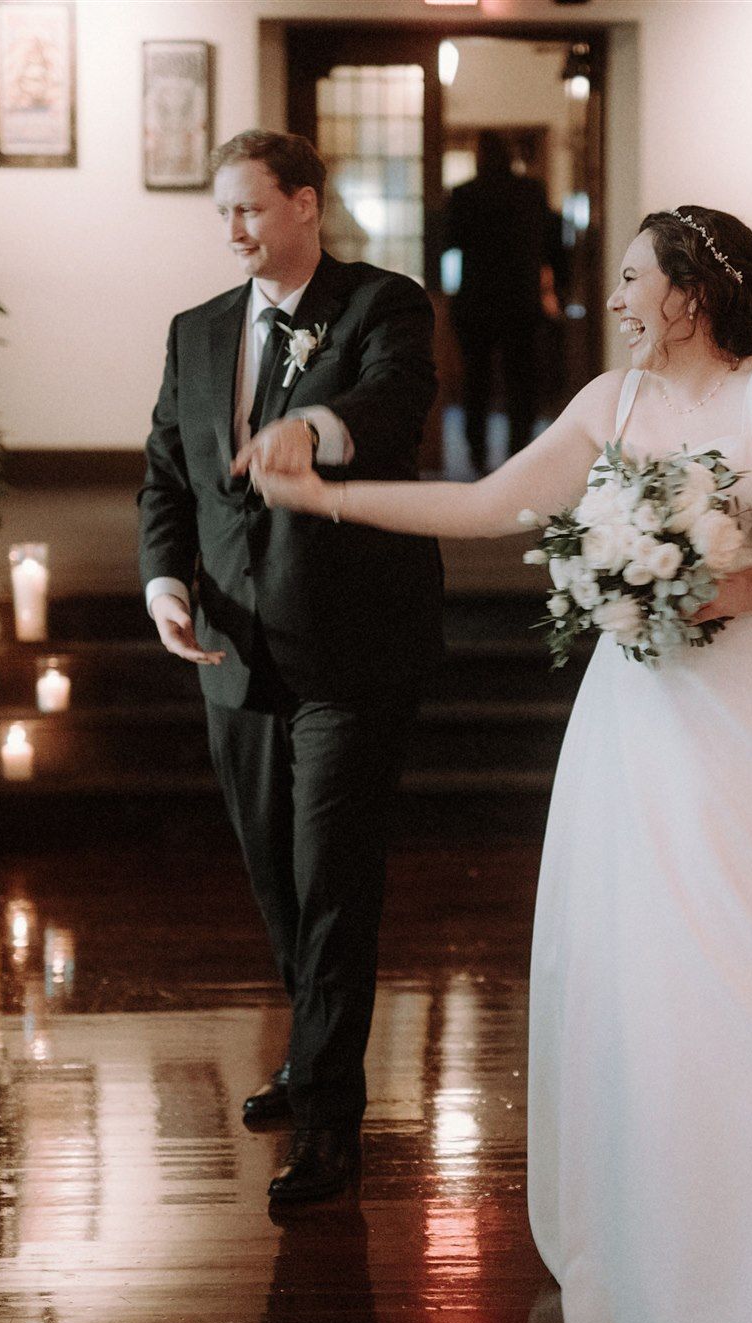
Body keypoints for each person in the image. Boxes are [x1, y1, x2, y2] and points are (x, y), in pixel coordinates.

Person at [246, 205, 752, 1323]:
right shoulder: (611, 404)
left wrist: (738, 588)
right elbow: (488, 505)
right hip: (639, 722)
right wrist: (326, 495)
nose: (616, 298)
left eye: (633, 279)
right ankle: (673, 1228)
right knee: (656, 965)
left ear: (688, 292)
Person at [135, 129, 443, 1205]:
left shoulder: (382, 305)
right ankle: (310, 1050)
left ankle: (327, 1115)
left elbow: (392, 403)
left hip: (351, 644)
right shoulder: (195, 329)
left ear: (305, 204)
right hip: (230, 645)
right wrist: (163, 583)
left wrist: (310, 423)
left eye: (250, 209)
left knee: (332, 884)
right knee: (277, 875)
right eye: (220, 212)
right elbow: (165, 475)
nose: (230, 230)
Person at [445, 131, 557, 468]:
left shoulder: (464, 194)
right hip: (520, 300)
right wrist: (554, 289)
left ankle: (476, 454)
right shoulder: (531, 192)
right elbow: (551, 245)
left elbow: (450, 241)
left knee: (475, 381)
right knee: (521, 381)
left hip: (476, 299)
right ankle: (518, 451)